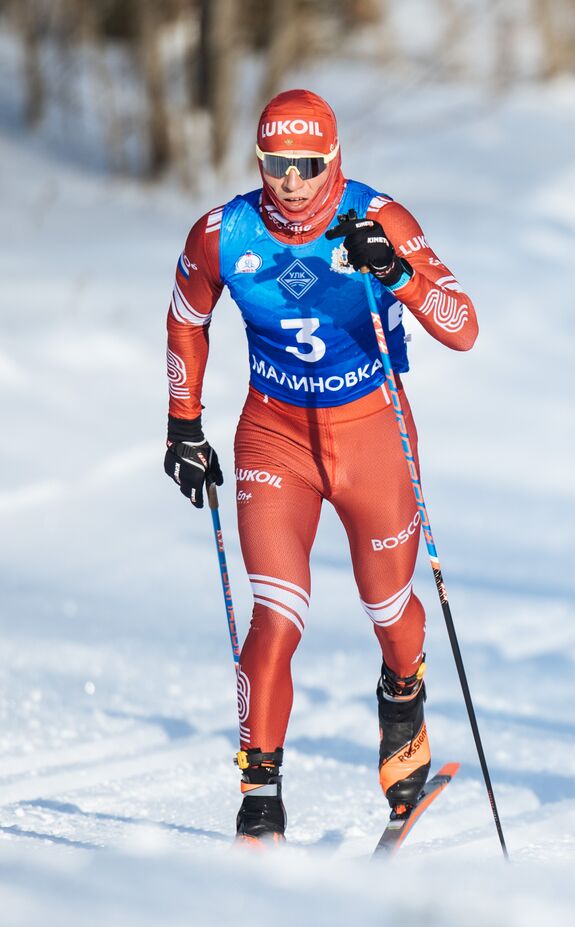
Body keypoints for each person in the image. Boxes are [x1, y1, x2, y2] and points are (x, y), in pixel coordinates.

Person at [162, 89, 478, 845]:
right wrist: (184, 424)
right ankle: (259, 798)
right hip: (274, 437)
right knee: (276, 612)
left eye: (308, 165)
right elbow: (186, 318)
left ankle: (402, 694)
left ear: (333, 159)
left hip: (372, 433)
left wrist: (395, 270)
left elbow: (463, 327)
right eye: (277, 165)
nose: (292, 182)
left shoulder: (378, 217)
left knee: (387, 606)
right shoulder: (223, 234)